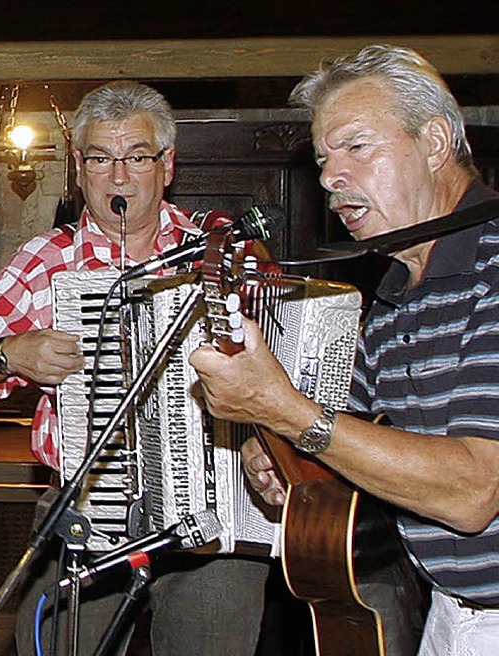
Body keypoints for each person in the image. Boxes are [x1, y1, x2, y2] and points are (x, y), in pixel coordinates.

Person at [0, 80, 271, 655]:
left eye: (137, 157)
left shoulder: (222, 256)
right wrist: (11, 354)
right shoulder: (47, 260)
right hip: (83, 506)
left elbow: (282, 379)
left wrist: (265, 440)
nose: (118, 177)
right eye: (99, 158)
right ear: (78, 167)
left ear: (167, 165)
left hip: (216, 508)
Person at [189, 44, 499, 656]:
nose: (331, 178)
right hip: (448, 612)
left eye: (357, 147)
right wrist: (279, 462)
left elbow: (472, 493)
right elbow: (344, 436)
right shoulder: (392, 293)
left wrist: (285, 413)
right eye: (325, 159)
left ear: (435, 143)